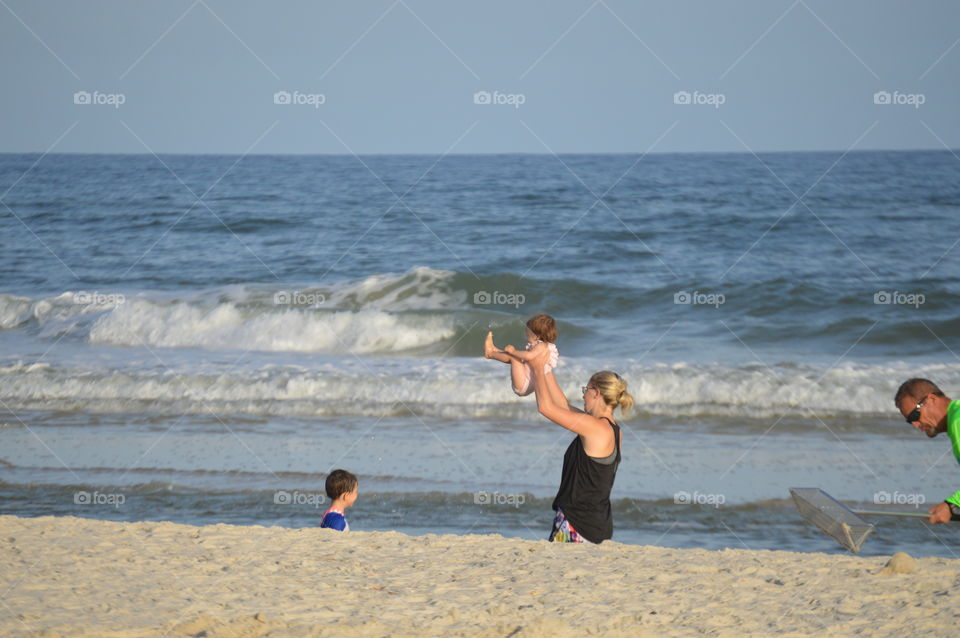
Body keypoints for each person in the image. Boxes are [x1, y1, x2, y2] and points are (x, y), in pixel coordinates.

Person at [528, 346, 632, 543]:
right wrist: (547, 367)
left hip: (577, 524)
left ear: (597, 393)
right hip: (598, 525)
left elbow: (545, 407)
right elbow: (562, 406)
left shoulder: (594, 427)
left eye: (586, 390)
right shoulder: (614, 431)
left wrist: (536, 367)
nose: (583, 395)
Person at [894, 378, 960, 524]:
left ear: (931, 399)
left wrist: (951, 505)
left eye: (914, 416)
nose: (916, 425)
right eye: (910, 421)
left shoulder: (958, 421)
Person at [484, 314, 560, 396]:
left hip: (524, 383)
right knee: (516, 359)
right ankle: (496, 351)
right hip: (528, 383)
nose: (527, 337)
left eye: (528, 335)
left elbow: (528, 356)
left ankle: (490, 354)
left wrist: (513, 351)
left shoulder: (541, 346)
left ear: (537, 335)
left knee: (514, 357)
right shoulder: (546, 347)